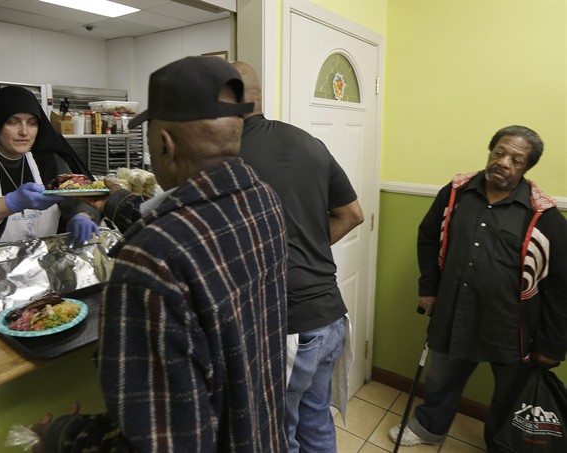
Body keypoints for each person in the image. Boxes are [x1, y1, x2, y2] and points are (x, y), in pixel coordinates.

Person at [29, 56, 290, 452]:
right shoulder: (263, 202)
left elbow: (162, 441)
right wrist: (112, 201)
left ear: (165, 144)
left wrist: (63, 436)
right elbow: (192, 219)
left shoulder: (151, 258)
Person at [389, 125, 567, 451]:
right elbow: (429, 236)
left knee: (509, 393)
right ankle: (429, 428)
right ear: (490, 151)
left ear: (527, 167)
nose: (504, 162)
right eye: (499, 152)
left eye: (516, 159)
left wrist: (553, 343)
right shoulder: (456, 191)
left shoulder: (544, 214)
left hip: (512, 325)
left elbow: (560, 284)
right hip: (453, 310)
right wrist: (429, 288)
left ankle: (500, 444)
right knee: (441, 378)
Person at [232, 61, 365, 453]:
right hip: (329, 318)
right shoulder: (309, 142)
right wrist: (307, 247)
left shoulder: (224, 154)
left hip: (287, 327)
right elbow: (352, 214)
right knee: (316, 418)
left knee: (279, 435)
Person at [0, 85, 99, 247]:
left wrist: (82, 216)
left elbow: (81, 199)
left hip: (45, 263)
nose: (24, 132)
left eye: (32, 123)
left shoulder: (50, 161)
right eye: (12, 122)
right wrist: (11, 203)